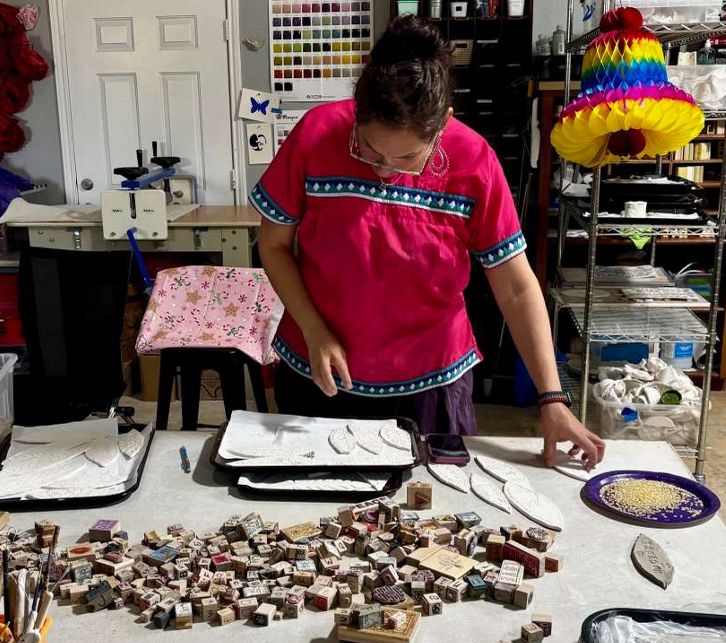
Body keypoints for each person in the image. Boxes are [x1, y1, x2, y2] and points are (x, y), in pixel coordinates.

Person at [252, 15, 605, 469]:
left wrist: (552, 399)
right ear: (356, 113)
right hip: (320, 373)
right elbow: (275, 245)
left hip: (431, 388)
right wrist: (315, 330)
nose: (383, 168)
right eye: (369, 150)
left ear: (443, 125)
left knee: (433, 519)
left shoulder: (474, 160)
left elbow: (516, 287)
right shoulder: (317, 133)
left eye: (405, 157)